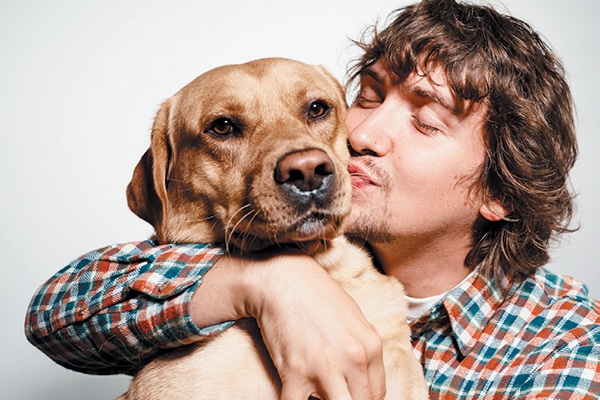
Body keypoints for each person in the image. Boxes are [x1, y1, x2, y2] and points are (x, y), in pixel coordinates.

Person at [26, 0, 599, 399]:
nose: (362, 136)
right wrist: (265, 284)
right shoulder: (293, 248)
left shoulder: (567, 347)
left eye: (426, 122)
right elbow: (54, 313)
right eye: (367, 97)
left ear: (499, 191)